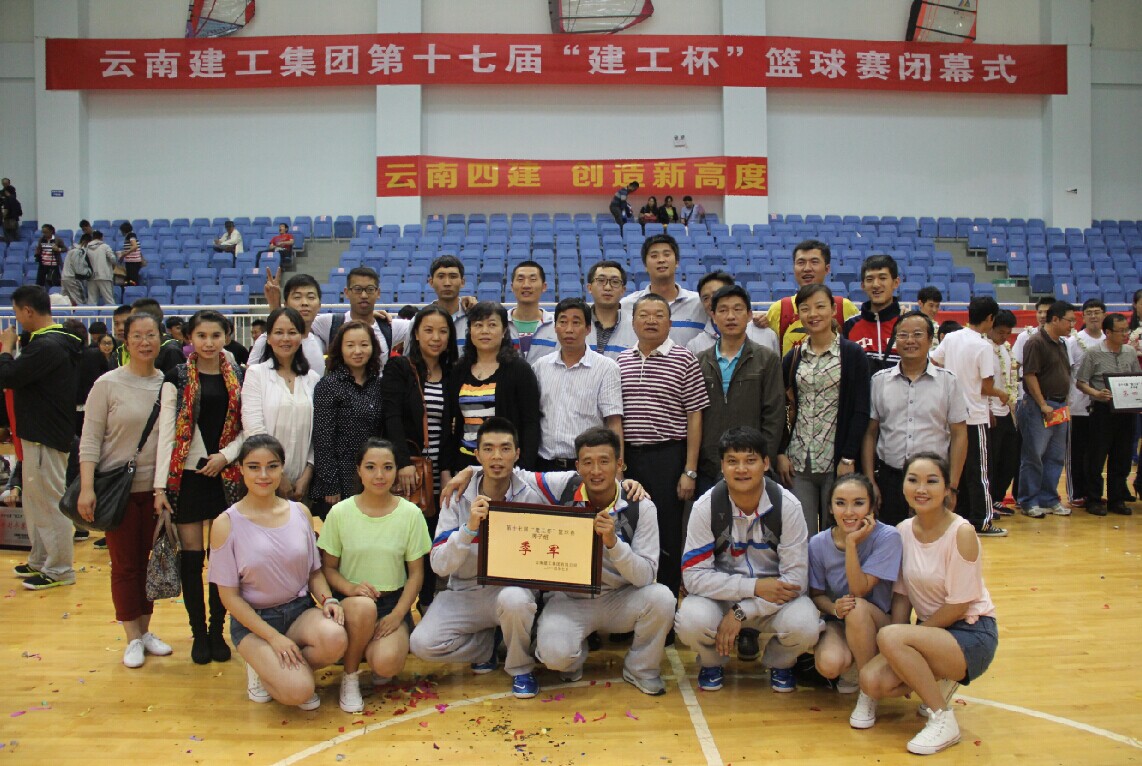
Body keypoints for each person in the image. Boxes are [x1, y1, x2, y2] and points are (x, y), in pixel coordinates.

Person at [857, 453, 998, 756]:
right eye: (913, 480)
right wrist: (897, 644)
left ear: (947, 489)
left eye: (931, 481)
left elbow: (959, 606)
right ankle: (939, 680)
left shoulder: (962, 533)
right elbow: (902, 595)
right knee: (871, 680)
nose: (921, 489)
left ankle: (943, 719)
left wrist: (899, 639)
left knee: (890, 637)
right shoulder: (903, 530)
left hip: (971, 632)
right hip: (931, 633)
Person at [524, 427, 674, 694]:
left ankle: (641, 668)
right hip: (571, 599)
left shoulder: (641, 505)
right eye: (588, 462)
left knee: (662, 598)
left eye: (604, 461)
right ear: (577, 466)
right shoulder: (564, 486)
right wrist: (469, 472)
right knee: (555, 656)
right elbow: (513, 473)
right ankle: (572, 655)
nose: (596, 471)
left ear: (619, 464)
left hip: (620, 598)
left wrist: (614, 544)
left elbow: (645, 576)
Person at [676, 426, 822, 693]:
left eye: (750, 460)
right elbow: (693, 577)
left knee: (806, 624)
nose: (741, 469)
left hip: (774, 600)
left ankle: (780, 662)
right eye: (732, 461)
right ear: (722, 466)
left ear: (766, 463)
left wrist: (743, 611)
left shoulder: (788, 506)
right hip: (723, 598)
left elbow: (796, 581)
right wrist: (753, 588)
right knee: (689, 620)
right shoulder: (705, 507)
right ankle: (712, 661)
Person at [208, 435, 348, 712]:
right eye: (254, 467)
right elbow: (230, 598)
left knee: (336, 638)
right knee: (300, 691)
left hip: (298, 611)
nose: (264, 475)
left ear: (282, 468)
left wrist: (328, 599)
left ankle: (281, 667)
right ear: (241, 469)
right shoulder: (225, 523)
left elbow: (314, 573)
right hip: (255, 623)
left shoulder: (300, 512)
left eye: (272, 466)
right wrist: (273, 637)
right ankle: (265, 667)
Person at [409, 418, 545, 699]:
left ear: (517, 454)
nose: (497, 457)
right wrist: (469, 529)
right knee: (422, 644)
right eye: (489, 449)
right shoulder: (456, 495)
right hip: (464, 591)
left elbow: (575, 479)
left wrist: (626, 482)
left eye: (505, 449)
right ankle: (486, 645)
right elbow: (439, 564)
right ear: (477, 454)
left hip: (509, 589)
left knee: (515, 600)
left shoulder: (532, 494)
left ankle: (520, 667)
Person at [77, 312, 172, 668]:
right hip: (117, 491)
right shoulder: (107, 384)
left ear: (160, 338)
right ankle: (132, 636)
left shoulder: (168, 384)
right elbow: (90, 440)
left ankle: (145, 631)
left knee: (150, 564)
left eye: (151, 335)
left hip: (157, 492)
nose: (145, 342)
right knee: (125, 565)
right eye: (137, 336)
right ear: (126, 341)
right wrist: (87, 488)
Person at [154, 310, 246, 664]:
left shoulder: (238, 375)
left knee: (221, 560)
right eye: (201, 336)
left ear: (227, 337)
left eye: (215, 335)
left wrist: (225, 456)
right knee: (191, 560)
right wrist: (160, 488)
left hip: (226, 475)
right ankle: (198, 633)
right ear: (189, 338)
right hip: (188, 477)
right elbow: (166, 433)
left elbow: (246, 428)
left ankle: (217, 631)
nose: (208, 342)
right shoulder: (176, 376)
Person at [319, 438, 431, 712]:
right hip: (353, 604)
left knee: (387, 663)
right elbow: (328, 568)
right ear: (358, 470)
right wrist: (351, 588)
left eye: (387, 467)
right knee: (363, 607)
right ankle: (350, 676)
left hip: (392, 604)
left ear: (396, 470)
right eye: (370, 467)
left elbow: (416, 574)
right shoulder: (339, 512)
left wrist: (397, 614)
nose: (379, 475)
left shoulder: (411, 514)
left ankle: (366, 648)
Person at [617, 293, 709, 598]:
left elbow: (695, 416)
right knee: (629, 528)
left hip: (668, 457)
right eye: (643, 315)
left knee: (667, 531)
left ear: (670, 322)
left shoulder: (684, 359)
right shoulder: (621, 362)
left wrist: (690, 470)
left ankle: (667, 600)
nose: (651, 321)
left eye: (659, 315)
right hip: (631, 458)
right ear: (633, 322)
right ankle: (631, 601)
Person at [0, 286, 83, 590]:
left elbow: (8, 375)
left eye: (17, 312)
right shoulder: (52, 341)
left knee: (49, 503)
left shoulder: (48, 345)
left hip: (45, 434)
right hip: (39, 432)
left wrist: (6, 349)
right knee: (36, 502)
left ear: (28, 311)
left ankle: (60, 568)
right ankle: (40, 559)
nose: (17, 319)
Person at [380, 305, 459, 612]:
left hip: (438, 470)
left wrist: (447, 469)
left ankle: (426, 601)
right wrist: (402, 462)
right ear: (415, 334)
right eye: (428, 330)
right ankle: (394, 607)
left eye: (442, 331)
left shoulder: (452, 372)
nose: (435, 337)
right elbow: (392, 417)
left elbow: (452, 427)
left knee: (430, 537)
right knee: (403, 538)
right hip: (410, 469)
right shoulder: (400, 367)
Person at [807, 473, 902, 724]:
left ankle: (868, 692)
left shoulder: (888, 537)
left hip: (880, 624)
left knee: (857, 607)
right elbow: (816, 595)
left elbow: (859, 590)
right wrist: (833, 608)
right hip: (840, 620)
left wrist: (851, 544)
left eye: (858, 503)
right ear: (830, 507)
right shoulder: (818, 543)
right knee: (829, 664)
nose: (849, 512)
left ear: (871, 507)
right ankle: (855, 667)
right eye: (840, 503)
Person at [777, 284, 870, 535]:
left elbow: (861, 410)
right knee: (801, 534)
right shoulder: (793, 357)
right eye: (805, 308)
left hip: (836, 461)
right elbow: (781, 407)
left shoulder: (852, 354)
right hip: (798, 462)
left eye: (820, 306)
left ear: (833, 310)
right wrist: (781, 452)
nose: (813, 314)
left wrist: (848, 457)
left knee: (838, 533)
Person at [863, 311, 968, 527]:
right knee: (891, 540)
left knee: (931, 540)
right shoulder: (879, 381)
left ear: (930, 340)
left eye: (918, 334)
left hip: (933, 480)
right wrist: (870, 481)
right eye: (903, 335)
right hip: (890, 479)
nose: (910, 340)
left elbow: (959, 434)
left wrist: (952, 486)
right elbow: (870, 433)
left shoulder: (949, 382)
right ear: (895, 341)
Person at [930, 297, 1009, 537]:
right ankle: (982, 520)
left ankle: (958, 516)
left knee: (956, 469)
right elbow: (986, 386)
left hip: (950, 416)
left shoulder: (952, 337)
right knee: (980, 472)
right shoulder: (983, 346)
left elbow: (933, 361)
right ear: (990, 318)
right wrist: (1001, 394)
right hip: (974, 416)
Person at [696, 284, 784, 493]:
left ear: (749, 314)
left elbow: (774, 414)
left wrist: (763, 458)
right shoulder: (699, 361)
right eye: (723, 310)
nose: (730, 316)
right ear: (713, 315)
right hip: (709, 465)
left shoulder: (767, 359)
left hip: (751, 465)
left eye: (737, 309)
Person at [444, 301, 541, 471]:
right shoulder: (459, 370)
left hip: (505, 467)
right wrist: (447, 468)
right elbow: (451, 423)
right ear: (470, 331)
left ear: (504, 331)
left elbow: (530, 424)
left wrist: (522, 469)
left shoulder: (519, 370)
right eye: (478, 325)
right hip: (465, 464)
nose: (484, 331)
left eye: (492, 325)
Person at [530, 297, 623, 471]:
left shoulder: (606, 368)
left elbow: (613, 422)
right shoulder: (540, 367)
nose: (569, 329)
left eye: (576, 322)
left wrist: (618, 469)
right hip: (544, 464)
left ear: (588, 328)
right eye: (563, 322)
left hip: (588, 466)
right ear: (555, 327)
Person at [241, 308, 321, 504]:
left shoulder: (312, 378)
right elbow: (254, 429)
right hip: (264, 478)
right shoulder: (256, 374)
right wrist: (278, 475)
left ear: (301, 337)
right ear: (268, 338)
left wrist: (307, 474)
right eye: (278, 332)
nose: (286, 338)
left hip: (302, 483)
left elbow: (318, 432)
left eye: (292, 332)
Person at [311, 320, 386, 517]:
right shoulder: (328, 385)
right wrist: (330, 484)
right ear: (340, 349)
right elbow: (323, 439)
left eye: (364, 344)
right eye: (350, 345)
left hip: (373, 476)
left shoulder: (379, 385)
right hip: (339, 478)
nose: (357, 351)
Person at [1076, 313, 1141, 516]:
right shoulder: (1093, 353)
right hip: (1102, 411)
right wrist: (1096, 393)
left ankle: (1117, 499)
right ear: (1108, 332)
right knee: (1096, 457)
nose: (1125, 334)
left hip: (1126, 411)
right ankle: (1094, 499)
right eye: (1120, 331)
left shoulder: (1130, 352)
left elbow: (1137, 378)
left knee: (1122, 457)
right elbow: (1081, 382)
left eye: (1126, 330)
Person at [1017, 301, 1076, 519]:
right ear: (1055, 319)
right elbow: (1029, 375)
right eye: (1070, 320)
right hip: (1040, 407)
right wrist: (1042, 403)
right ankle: (1028, 501)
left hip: (1059, 406)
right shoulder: (1036, 342)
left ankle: (1049, 498)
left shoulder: (1062, 343)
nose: (1073, 324)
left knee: (1056, 455)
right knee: (1034, 455)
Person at [530, 260, 637, 361]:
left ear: (623, 290)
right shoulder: (570, 325)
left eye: (615, 282)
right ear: (589, 288)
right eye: (601, 281)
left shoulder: (635, 328)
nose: (608, 287)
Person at [766, 240, 860, 355]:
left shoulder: (845, 308)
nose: (807, 268)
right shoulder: (779, 309)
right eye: (801, 262)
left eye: (814, 262)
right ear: (794, 268)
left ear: (827, 269)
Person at [619, 234, 708, 347]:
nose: (661, 260)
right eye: (654, 256)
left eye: (667, 254)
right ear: (645, 265)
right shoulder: (627, 305)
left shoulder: (699, 303)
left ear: (677, 262)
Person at [1064, 299, 1105, 509]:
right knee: (1076, 451)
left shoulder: (1108, 340)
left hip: (1102, 407)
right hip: (1078, 405)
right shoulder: (1074, 341)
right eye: (1089, 312)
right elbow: (1067, 371)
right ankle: (1076, 492)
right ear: (1083, 316)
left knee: (1096, 452)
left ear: (1104, 315)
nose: (1094, 316)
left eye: (1097, 312)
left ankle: (1093, 492)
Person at [687, 271, 779, 357]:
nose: (711, 301)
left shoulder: (766, 335)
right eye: (705, 298)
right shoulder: (695, 346)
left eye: (717, 294)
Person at [251, 273, 325, 371]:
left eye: (311, 297)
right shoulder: (266, 340)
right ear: (286, 304)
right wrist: (274, 305)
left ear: (319, 305)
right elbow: (250, 375)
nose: (304, 303)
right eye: (297, 297)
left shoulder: (319, 341)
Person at [843, 254, 903, 374]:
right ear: (863, 286)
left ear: (896, 282)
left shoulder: (908, 324)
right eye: (869, 279)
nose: (876, 284)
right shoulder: (850, 325)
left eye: (882, 278)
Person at [986, 310, 1020, 518]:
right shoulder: (984, 348)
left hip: (1007, 410)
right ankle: (987, 499)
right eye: (1000, 332)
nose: (1004, 337)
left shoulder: (1006, 349)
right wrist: (988, 408)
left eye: (1008, 333)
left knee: (1010, 457)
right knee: (992, 459)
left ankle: (998, 496)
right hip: (990, 411)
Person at [507, 261, 553, 357]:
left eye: (533, 279)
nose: (526, 285)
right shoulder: (500, 323)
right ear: (512, 287)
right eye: (520, 279)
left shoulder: (555, 325)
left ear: (544, 287)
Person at [426, 255, 470, 349]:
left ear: (462, 282)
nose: (447, 283)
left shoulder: (475, 319)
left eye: (453, 277)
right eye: (441, 276)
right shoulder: (419, 321)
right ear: (431, 282)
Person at [61, 233, 92, 305]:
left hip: (64, 277)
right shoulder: (78, 251)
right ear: (85, 242)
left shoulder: (71, 249)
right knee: (81, 302)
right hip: (73, 279)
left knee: (66, 302)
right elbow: (78, 268)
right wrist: (88, 272)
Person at [117, 222, 144, 287]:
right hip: (131, 262)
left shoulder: (131, 235)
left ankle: (133, 291)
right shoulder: (130, 236)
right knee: (129, 280)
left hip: (133, 262)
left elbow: (135, 246)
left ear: (124, 231)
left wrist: (124, 254)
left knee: (133, 280)